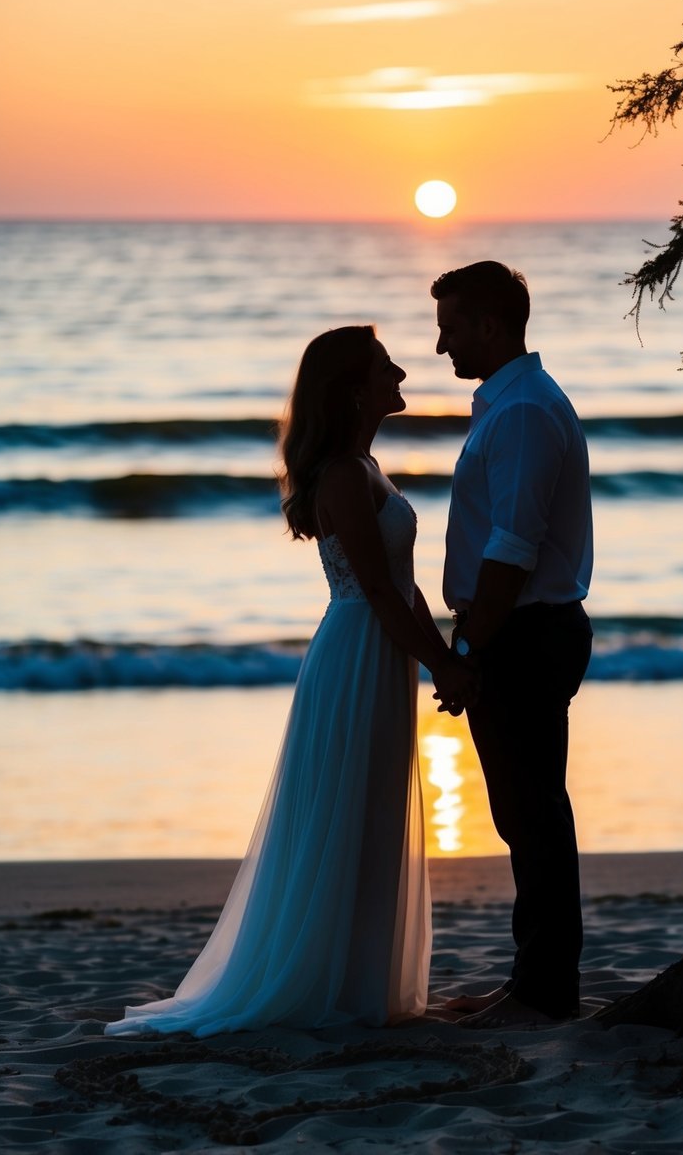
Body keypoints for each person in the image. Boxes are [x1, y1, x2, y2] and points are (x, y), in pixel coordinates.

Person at [105, 325, 477, 1036]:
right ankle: (335, 989)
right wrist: (444, 665)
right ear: (354, 390)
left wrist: (444, 657)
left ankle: (362, 985)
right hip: (356, 656)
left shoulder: (365, 465)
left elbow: (405, 588)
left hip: (380, 650)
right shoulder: (341, 475)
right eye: (383, 366)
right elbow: (376, 591)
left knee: (372, 811)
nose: (400, 371)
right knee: (348, 813)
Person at [431, 261, 593, 1029]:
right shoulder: (509, 403)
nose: (440, 344)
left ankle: (542, 990)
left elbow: (511, 545)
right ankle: (534, 981)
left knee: (530, 814)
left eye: (452, 326)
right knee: (523, 813)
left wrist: (470, 648)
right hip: (516, 629)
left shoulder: (523, 411)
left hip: (523, 633)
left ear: (491, 326)